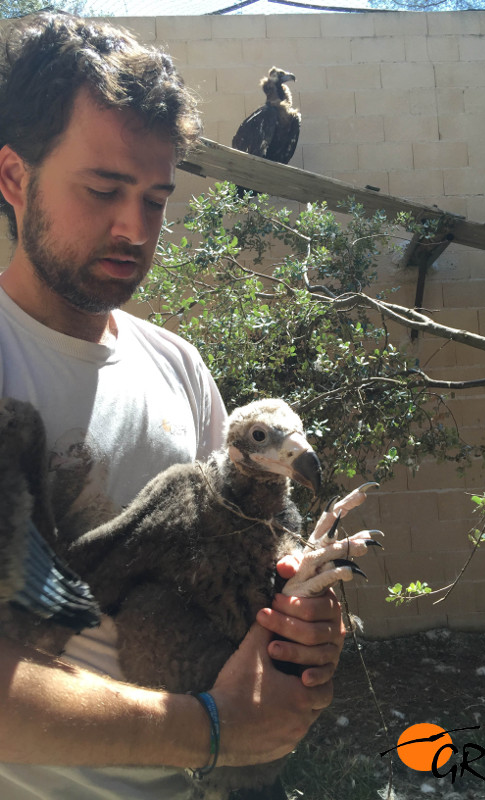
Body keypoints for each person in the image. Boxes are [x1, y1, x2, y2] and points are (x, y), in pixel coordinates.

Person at [0, 12, 345, 799]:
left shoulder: (177, 366)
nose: (136, 227)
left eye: (156, 198)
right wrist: (215, 730)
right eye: (104, 189)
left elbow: (224, 576)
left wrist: (298, 630)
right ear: (14, 179)